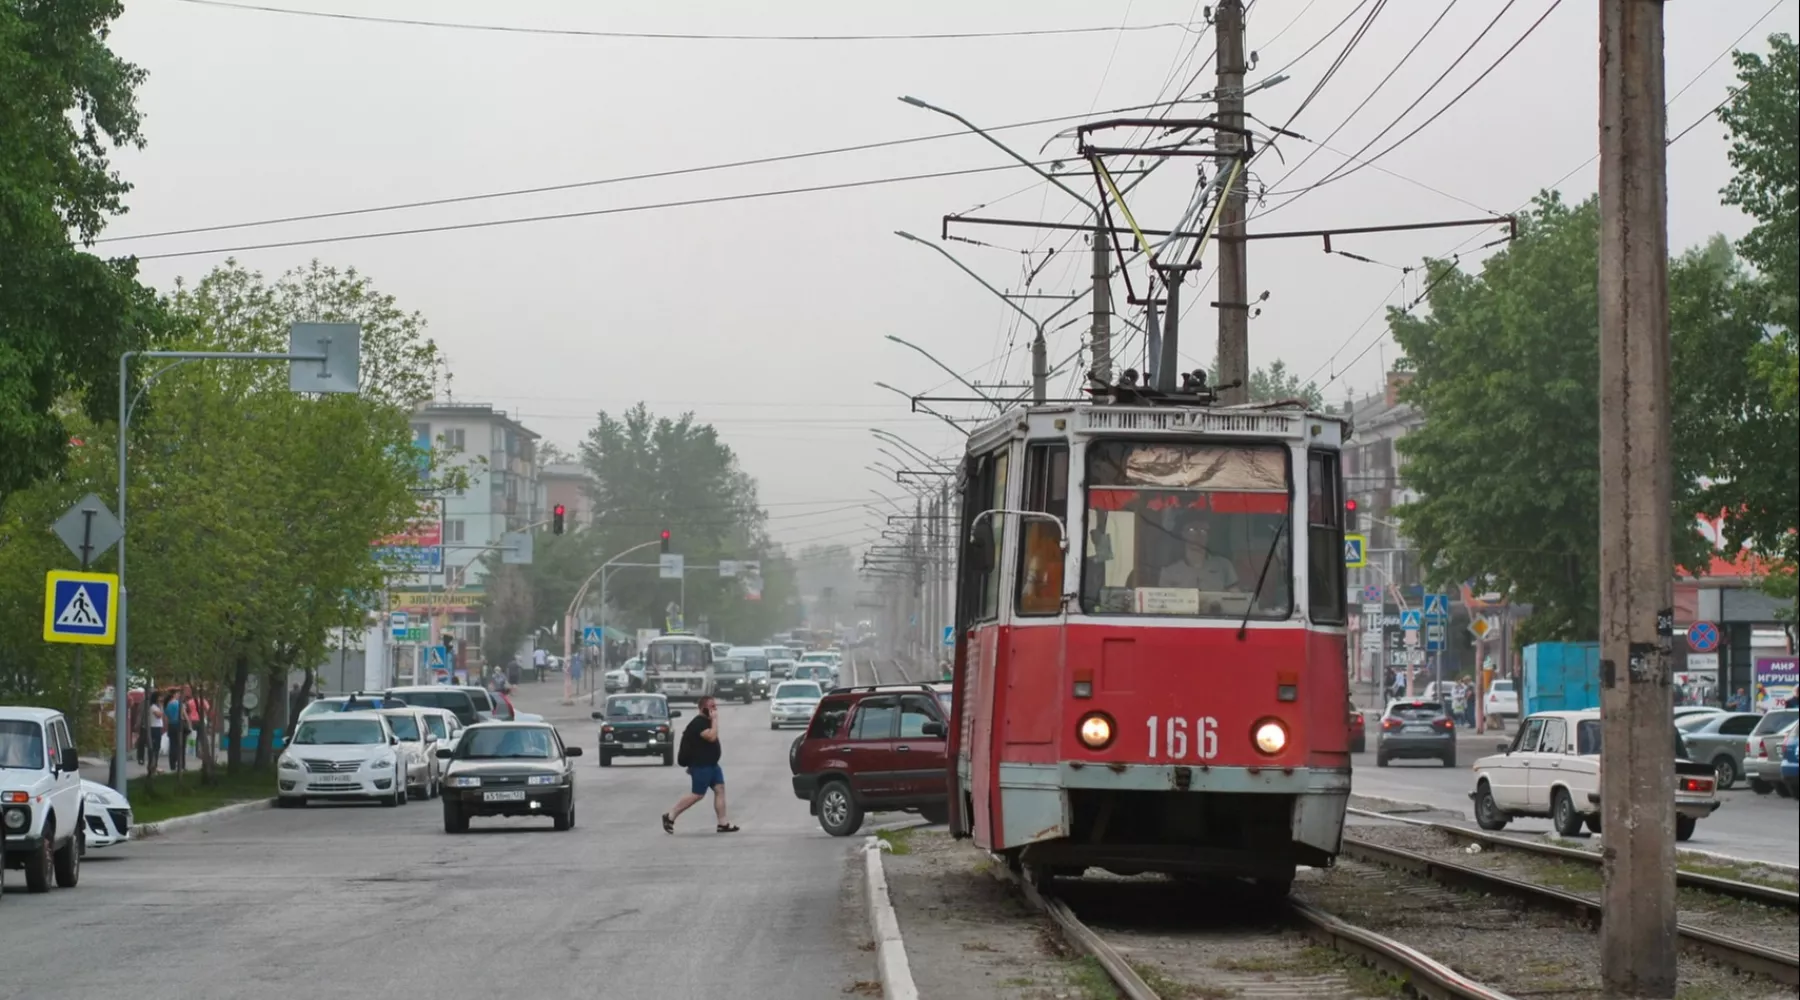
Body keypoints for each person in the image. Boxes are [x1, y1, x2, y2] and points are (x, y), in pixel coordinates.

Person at [662, 696, 738, 834]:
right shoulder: (698, 723)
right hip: (702, 765)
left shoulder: (706, 722)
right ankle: (670, 815)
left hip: (712, 765)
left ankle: (723, 823)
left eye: (715, 706)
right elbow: (711, 737)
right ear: (703, 708)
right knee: (697, 794)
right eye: (712, 706)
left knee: (720, 789)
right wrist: (715, 720)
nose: (715, 709)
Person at [1157, 515, 1240, 591]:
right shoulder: (1169, 572)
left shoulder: (1224, 566)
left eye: (1203, 531)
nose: (1199, 535)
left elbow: (1236, 600)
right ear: (1183, 534)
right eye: (1192, 530)